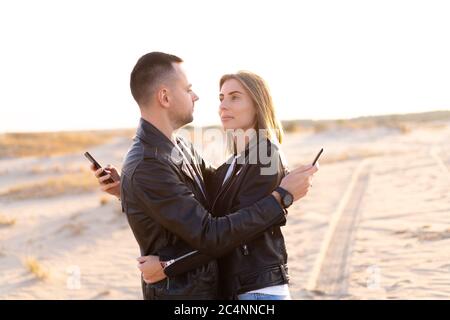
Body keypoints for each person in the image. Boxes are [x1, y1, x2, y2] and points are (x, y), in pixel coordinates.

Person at [92, 52, 318, 299]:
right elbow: (210, 228)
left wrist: (169, 264)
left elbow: (215, 228)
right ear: (165, 97)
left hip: (251, 290)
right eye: (188, 89)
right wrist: (130, 189)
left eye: (234, 98)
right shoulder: (150, 162)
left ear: (257, 103)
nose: (198, 96)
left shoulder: (186, 149)